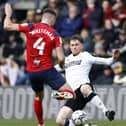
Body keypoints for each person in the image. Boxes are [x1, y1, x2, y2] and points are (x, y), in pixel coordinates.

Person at [4, 3, 74, 126]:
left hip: (32, 72)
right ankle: (56, 95)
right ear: (52, 19)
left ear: (42, 17)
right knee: (71, 95)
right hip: (47, 70)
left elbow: (7, 26)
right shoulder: (55, 34)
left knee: (38, 97)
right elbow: (61, 57)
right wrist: (62, 65)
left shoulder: (30, 26)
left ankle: (41, 124)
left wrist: (8, 14)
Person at [55, 35, 120, 126]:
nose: (74, 47)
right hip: (73, 95)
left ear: (82, 46)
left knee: (84, 88)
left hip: (84, 88)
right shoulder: (66, 60)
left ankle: (106, 112)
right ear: (70, 46)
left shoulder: (86, 56)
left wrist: (113, 58)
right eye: (72, 45)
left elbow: (107, 62)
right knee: (59, 121)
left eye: (76, 44)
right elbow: (54, 69)